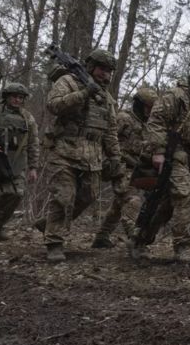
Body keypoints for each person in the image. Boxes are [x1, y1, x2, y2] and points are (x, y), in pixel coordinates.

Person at [129, 56, 190, 261]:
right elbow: (156, 121)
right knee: (187, 196)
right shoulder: (176, 96)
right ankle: (183, 247)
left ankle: (139, 240)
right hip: (173, 157)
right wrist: (157, 151)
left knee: (165, 206)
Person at [42, 49, 121, 262]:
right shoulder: (69, 81)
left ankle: (48, 224)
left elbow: (111, 130)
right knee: (64, 196)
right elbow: (54, 105)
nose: (106, 75)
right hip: (64, 150)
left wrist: (114, 157)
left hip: (92, 155)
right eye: (102, 69)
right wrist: (85, 93)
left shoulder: (106, 98)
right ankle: (55, 242)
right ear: (91, 67)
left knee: (88, 196)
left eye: (109, 71)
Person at [91, 87, 158, 248]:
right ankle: (136, 241)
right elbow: (106, 139)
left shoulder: (148, 125)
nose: (149, 111)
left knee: (118, 203)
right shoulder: (123, 118)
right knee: (131, 200)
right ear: (139, 105)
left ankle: (101, 237)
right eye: (148, 107)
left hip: (137, 169)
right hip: (119, 166)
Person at [0, 83, 39, 241]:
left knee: (16, 193)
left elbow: (33, 143)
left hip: (15, 163)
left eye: (20, 97)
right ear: (7, 97)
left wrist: (33, 167)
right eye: (14, 96)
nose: (17, 100)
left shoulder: (27, 118)